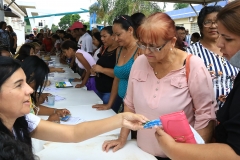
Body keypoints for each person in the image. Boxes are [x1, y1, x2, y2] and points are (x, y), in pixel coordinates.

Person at [102, 12, 217, 159]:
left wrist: (195, 155)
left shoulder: (193, 66)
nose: (146, 52)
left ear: (172, 41)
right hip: (141, 152)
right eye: (142, 45)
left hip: (178, 155)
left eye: (155, 47)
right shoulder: (139, 62)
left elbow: (205, 116)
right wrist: (122, 138)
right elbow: (129, 104)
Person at [0, 56, 149, 159]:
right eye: (19, 85)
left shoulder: (22, 121)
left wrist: (122, 118)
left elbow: (74, 132)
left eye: (27, 82)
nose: (30, 90)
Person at [155, 1, 240, 159]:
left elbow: (235, 152)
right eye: (208, 22)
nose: (220, 44)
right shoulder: (191, 54)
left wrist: (172, 149)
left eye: (227, 39)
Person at [186, 6, 239, 109]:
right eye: (208, 22)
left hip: (234, 111)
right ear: (201, 26)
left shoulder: (235, 50)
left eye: (216, 22)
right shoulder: (190, 53)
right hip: (205, 114)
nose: (213, 26)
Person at [92, 15, 139, 113]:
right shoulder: (119, 50)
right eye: (114, 35)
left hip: (136, 107)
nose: (116, 39)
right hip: (123, 102)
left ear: (130, 30)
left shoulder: (141, 50)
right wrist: (109, 104)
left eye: (118, 34)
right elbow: (117, 79)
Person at [21, 56, 70, 122]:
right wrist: (49, 122)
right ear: (31, 76)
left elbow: (33, 108)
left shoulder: (26, 94)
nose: (41, 83)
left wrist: (56, 111)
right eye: (39, 80)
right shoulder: (18, 99)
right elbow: (23, 129)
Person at [92, 26, 119, 104]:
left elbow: (119, 73)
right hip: (100, 89)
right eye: (101, 36)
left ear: (113, 36)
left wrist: (102, 70)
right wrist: (94, 69)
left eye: (104, 36)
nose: (102, 39)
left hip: (110, 92)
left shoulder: (119, 51)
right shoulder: (105, 49)